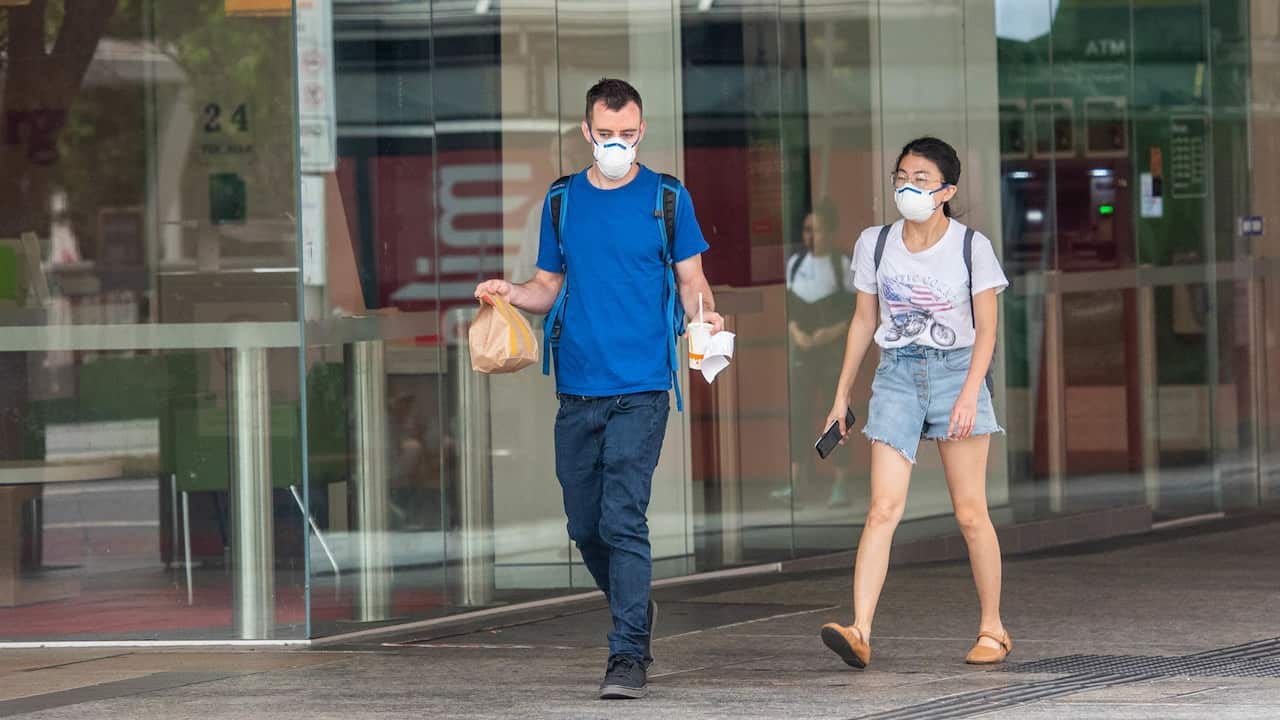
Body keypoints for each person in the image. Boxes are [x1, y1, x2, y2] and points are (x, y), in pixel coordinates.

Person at [473, 78, 722, 700]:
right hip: (577, 389)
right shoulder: (562, 202)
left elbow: (693, 280)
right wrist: (511, 294)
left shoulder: (667, 197)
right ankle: (633, 607)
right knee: (585, 526)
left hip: (641, 386)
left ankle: (628, 655)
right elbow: (547, 287)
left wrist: (706, 317)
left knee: (622, 519)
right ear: (587, 132)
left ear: (642, 130)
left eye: (629, 135)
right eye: (607, 134)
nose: (618, 144)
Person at [818, 137, 1011, 668]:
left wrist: (971, 392)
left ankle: (993, 628)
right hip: (897, 373)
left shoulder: (972, 247)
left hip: (956, 373)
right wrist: (842, 395)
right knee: (883, 508)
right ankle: (859, 629)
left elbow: (987, 331)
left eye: (922, 179)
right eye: (902, 175)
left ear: (946, 190)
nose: (908, 186)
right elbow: (864, 320)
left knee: (971, 513)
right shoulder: (875, 243)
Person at [777, 199, 855, 508]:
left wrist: (829, 334)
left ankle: (840, 483)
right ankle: (797, 481)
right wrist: (797, 333)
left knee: (836, 414)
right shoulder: (795, 264)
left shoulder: (843, 265)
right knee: (799, 412)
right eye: (808, 230)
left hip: (833, 351)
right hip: (802, 350)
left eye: (819, 230)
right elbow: (790, 309)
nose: (812, 236)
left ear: (832, 233)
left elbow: (856, 314)